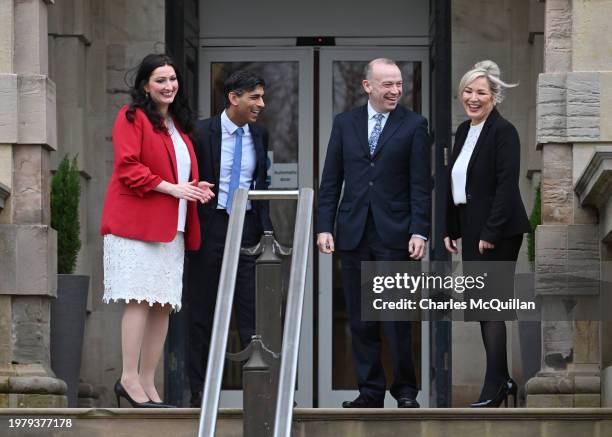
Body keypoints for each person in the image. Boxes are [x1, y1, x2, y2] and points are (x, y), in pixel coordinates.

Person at [100, 53, 214, 408]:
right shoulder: (131, 117)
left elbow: (177, 175)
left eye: (172, 79)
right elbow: (128, 168)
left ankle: (148, 382)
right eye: (160, 80)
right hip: (137, 227)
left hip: (172, 228)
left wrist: (194, 187)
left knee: (162, 305)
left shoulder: (178, 126)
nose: (168, 86)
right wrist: (174, 188)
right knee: (139, 299)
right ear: (145, 86)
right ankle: (127, 378)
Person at [317, 58, 431, 408]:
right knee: (360, 317)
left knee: (396, 317)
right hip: (353, 233)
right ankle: (369, 392)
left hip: (395, 234)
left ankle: (406, 391)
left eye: (398, 84)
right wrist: (324, 226)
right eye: (387, 84)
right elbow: (331, 180)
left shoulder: (413, 125)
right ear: (368, 86)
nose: (395, 90)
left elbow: (420, 185)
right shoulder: (345, 123)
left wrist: (420, 231)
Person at [444, 60, 531, 408]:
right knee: (482, 307)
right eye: (468, 90)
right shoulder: (464, 131)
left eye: (481, 92)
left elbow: (506, 186)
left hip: (498, 231)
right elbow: (457, 180)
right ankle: (502, 380)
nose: (473, 97)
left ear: (494, 96)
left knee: (491, 306)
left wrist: (490, 232)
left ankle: (495, 385)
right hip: (472, 227)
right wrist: (452, 227)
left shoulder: (503, 131)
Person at [186, 70, 273, 407]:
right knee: (203, 313)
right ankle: (201, 392)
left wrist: (266, 230)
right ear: (233, 97)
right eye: (255, 97)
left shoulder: (260, 134)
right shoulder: (200, 131)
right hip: (211, 228)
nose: (261, 104)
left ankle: (260, 393)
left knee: (253, 317)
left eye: (262, 97)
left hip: (248, 228)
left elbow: (260, 182)